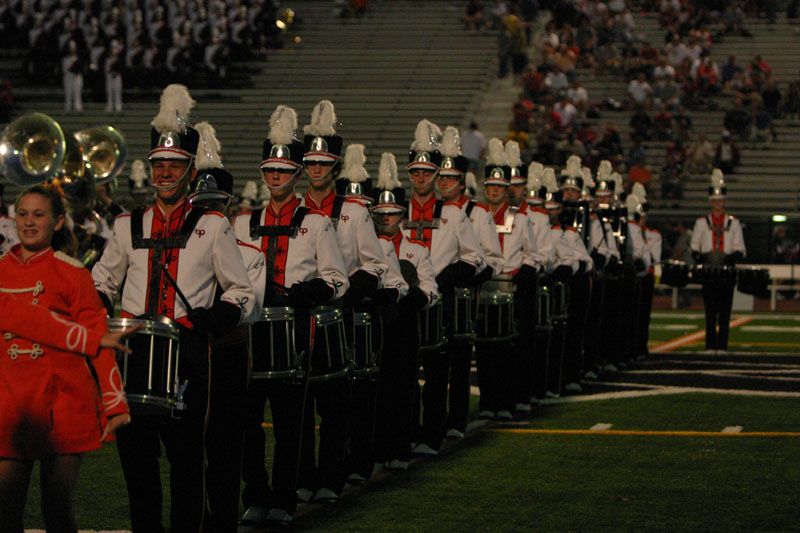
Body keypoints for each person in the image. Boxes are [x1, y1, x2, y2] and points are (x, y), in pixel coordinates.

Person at [92, 85, 256, 533]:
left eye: (175, 166)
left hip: (186, 354)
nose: (165, 173)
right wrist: (99, 301)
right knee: (136, 463)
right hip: (132, 352)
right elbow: (102, 279)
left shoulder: (212, 224)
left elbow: (241, 290)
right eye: (159, 165)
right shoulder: (127, 224)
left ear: (189, 171)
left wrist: (220, 315)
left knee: (186, 462)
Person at [236, 105, 349, 528]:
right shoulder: (243, 222)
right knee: (248, 422)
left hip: (294, 329)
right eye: (270, 171)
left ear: (297, 174)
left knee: (289, 422)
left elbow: (338, 279)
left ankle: (283, 496)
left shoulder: (317, 224)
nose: (276, 177)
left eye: (284, 170)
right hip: (248, 332)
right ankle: (256, 493)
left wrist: (307, 293)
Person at [0, 184, 130, 532]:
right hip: (11, 403)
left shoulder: (73, 273)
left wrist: (115, 402)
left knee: (56, 508)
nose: (29, 223)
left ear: (57, 222)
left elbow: (100, 342)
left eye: (38, 215)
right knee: (5, 507)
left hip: (64, 402)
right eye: (23, 214)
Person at [296, 101, 393, 499]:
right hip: (302, 317)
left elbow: (375, 266)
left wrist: (349, 294)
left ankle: (332, 476)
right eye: (311, 163)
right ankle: (303, 477)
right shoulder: (296, 209)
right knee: (300, 404)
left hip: (342, 315)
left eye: (324, 164)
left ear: (336, 166)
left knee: (337, 403)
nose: (317, 170)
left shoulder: (354, 212)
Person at [188, 122, 266, 532]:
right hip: (192, 353)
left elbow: (248, 304)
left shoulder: (249, 249)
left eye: (216, 205)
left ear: (230, 205)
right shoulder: (180, 244)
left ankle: (224, 517)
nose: (209, 213)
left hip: (230, 352)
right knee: (188, 444)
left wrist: (218, 315)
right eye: (202, 205)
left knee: (226, 438)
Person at [404, 119, 487, 456]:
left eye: (427, 172)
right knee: (406, 374)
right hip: (407, 302)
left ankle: (432, 435)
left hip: (441, 302)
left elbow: (476, 257)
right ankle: (407, 434)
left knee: (438, 373)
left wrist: (452, 274)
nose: (421, 178)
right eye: (415, 172)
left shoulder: (453, 214)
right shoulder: (396, 211)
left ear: (438, 175)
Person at [370, 152, 438, 471]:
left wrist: (413, 296)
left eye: (392, 212)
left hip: (405, 326)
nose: (386, 217)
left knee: (403, 388)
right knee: (376, 391)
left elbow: (430, 289)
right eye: (380, 212)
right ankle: (377, 448)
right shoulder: (365, 246)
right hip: (375, 327)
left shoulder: (416, 250)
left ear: (402, 213)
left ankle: (399, 447)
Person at [436, 128, 502, 433]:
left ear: (463, 182)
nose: (444, 183)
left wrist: (471, 278)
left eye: (450, 178)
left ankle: (456, 419)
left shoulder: (478, 212)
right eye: (441, 177)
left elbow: (493, 258)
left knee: (460, 359)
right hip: (435, 293)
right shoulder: (433, 211)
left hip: (464, 294)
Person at [475, 140, 539, 416]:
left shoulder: (521, 219)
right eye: (490, 187)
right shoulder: (476, 216)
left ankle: (508, 400)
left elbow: (533, 254)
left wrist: (523, 274)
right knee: (485, 348)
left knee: (510, 349)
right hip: (483, 287)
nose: (494, 191)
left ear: (506, 190)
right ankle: (488, 401)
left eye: (499, 187)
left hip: (510, 288)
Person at [691, 169, 746, 353]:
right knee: (710, 309)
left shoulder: (734, 223)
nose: (717, 203)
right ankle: (710, 345)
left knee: (725, 310)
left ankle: (722, 345)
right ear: (710, 201)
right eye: (715, 200)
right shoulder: (701, 222)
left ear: (725, 201)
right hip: (709, 269)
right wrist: (700, 256)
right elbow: (695, 246)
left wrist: (732, 257)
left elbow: (740, 248)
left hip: (726, 268)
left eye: (720, 200)